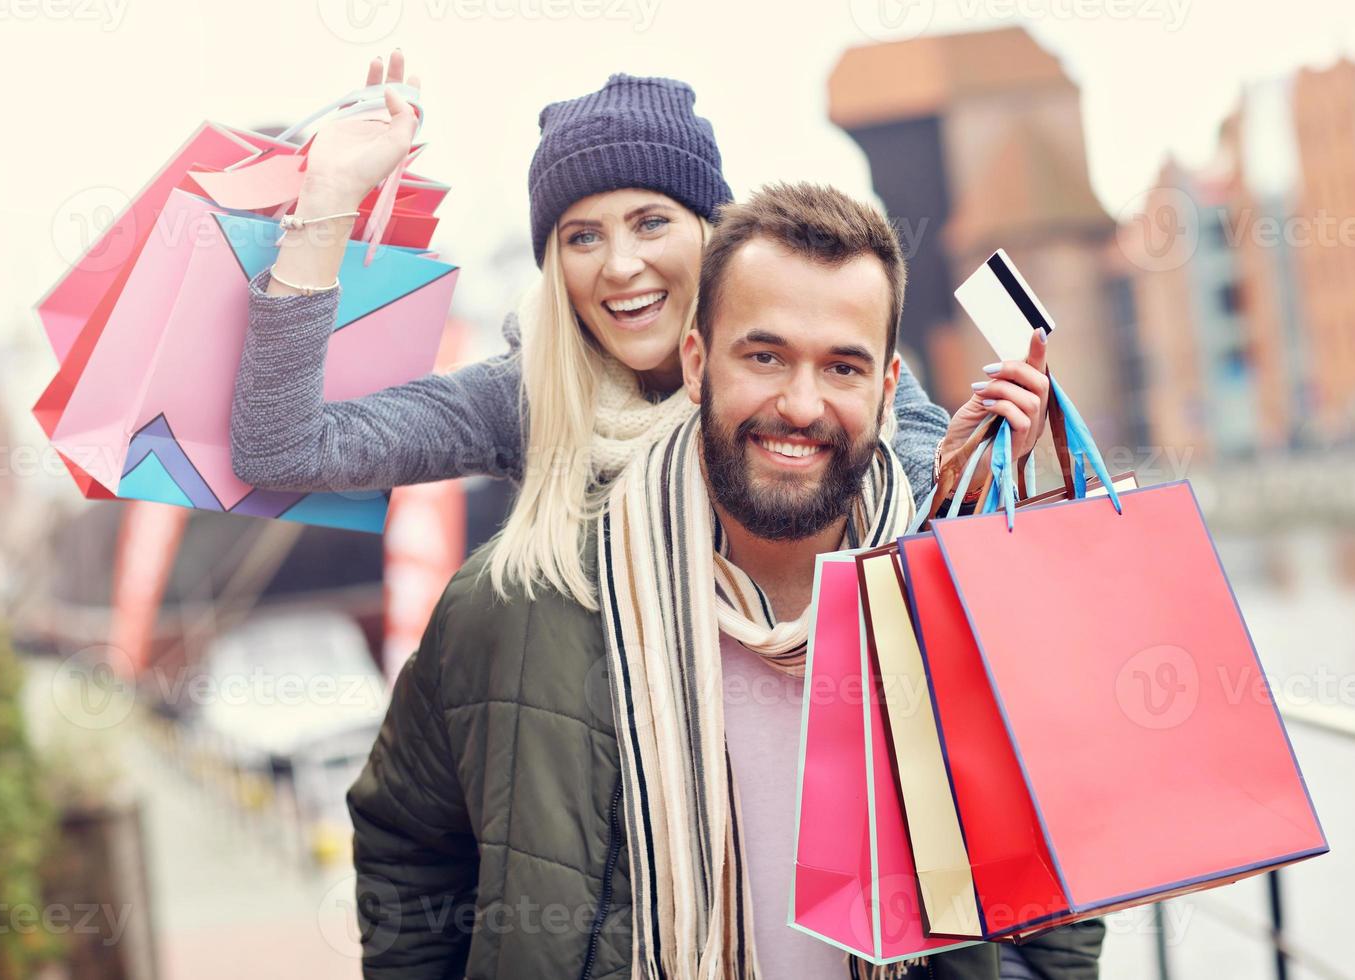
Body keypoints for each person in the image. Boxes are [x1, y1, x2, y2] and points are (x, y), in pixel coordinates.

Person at [347, 182, 1105, 979]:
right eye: (765, 355)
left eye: (842, 366)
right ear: (698, 362)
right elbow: (407, 847)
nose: (801, 403)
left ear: (885, 393)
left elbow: (1060, 830)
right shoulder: (519, 603)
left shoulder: (951, 594)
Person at [230, 53, 952, 613]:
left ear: (712, 235)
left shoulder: (815, 356)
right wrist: (327, 204)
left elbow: (944, 513)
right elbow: (282, 447)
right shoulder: (531, 395)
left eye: (651, 222)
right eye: (582, 237)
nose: (620, 266)